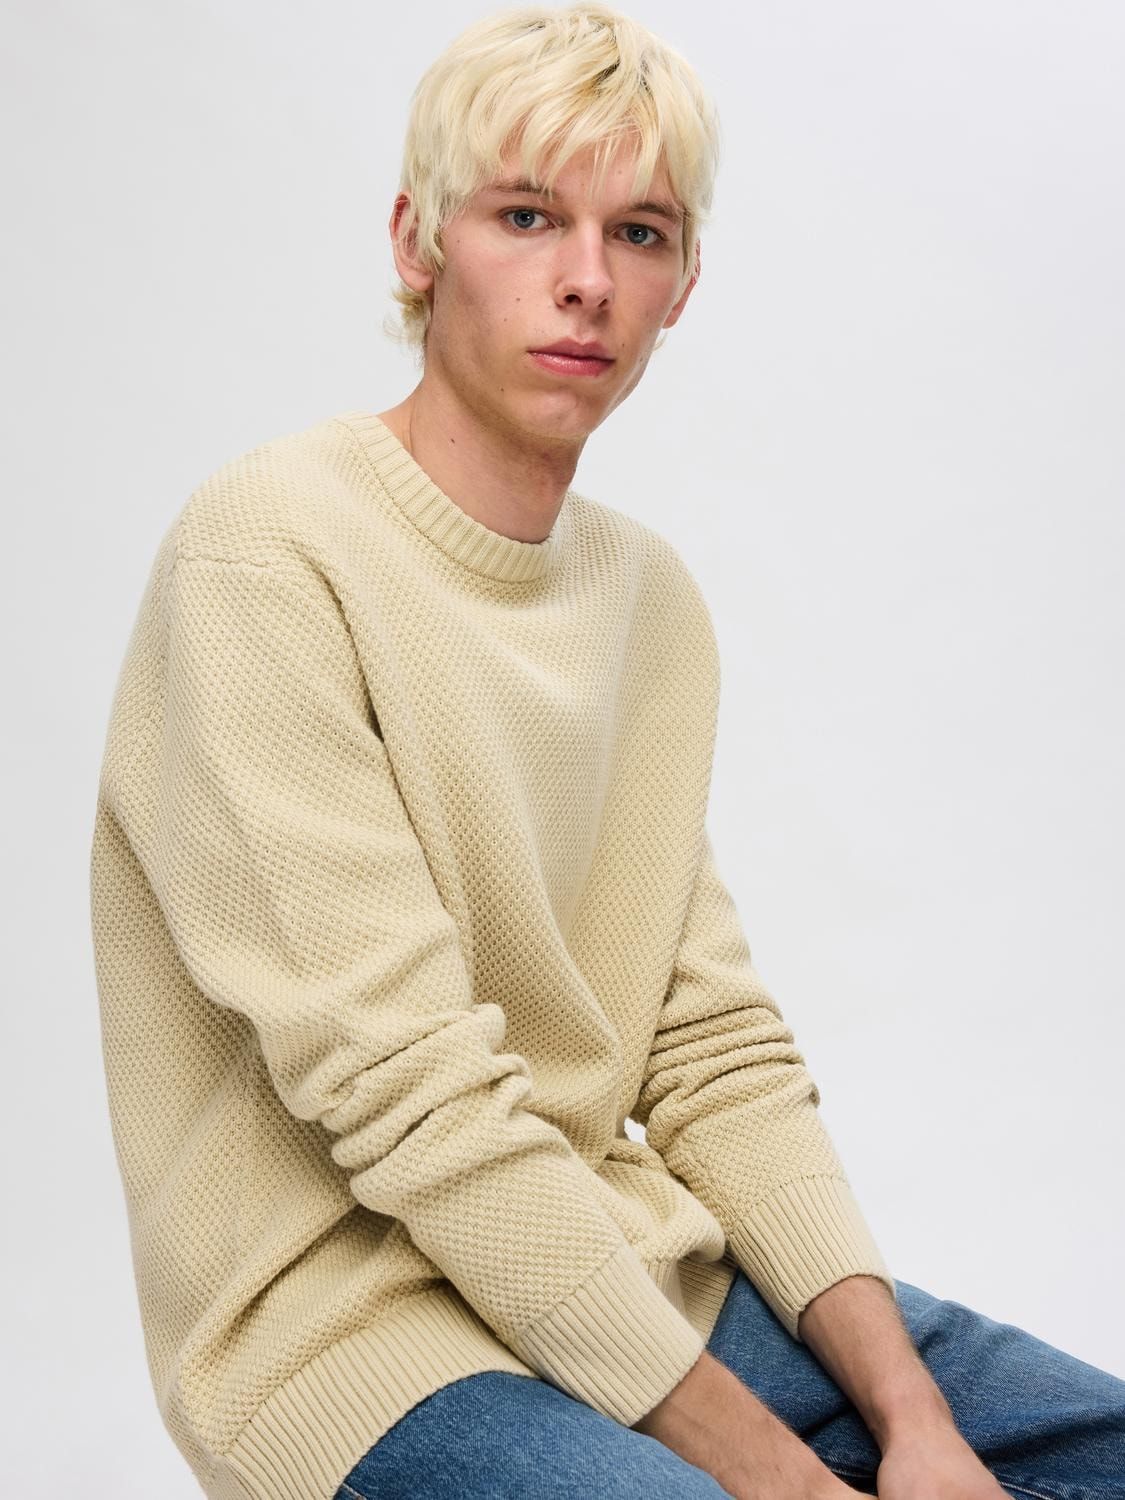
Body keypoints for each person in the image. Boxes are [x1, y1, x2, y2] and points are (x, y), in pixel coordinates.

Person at [88, 6, 1124, 1499]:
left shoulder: (644, 601)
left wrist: (919, 1426)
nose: (586, 278)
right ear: (417, 242)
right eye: (526, 216)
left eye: (637, 232)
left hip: (641, 1286)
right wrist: (786, 1479)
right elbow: (410, 1098)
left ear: (682, 281)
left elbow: (709, 1051)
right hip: (356, 1344)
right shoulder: (268, 554)